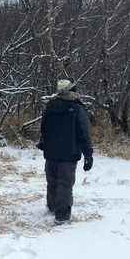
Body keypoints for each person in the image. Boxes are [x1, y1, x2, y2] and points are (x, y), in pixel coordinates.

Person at [38, 78, 93, 225]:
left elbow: (43, 128)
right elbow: (84, 133)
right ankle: (62, 215)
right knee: (65, 184)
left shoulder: (50, 106)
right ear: (72, 91)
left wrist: (45, 144)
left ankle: (52, 206)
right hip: (69, 154)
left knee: (53, 182)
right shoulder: (77, 109)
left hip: (51, 153)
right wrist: (88, 154)